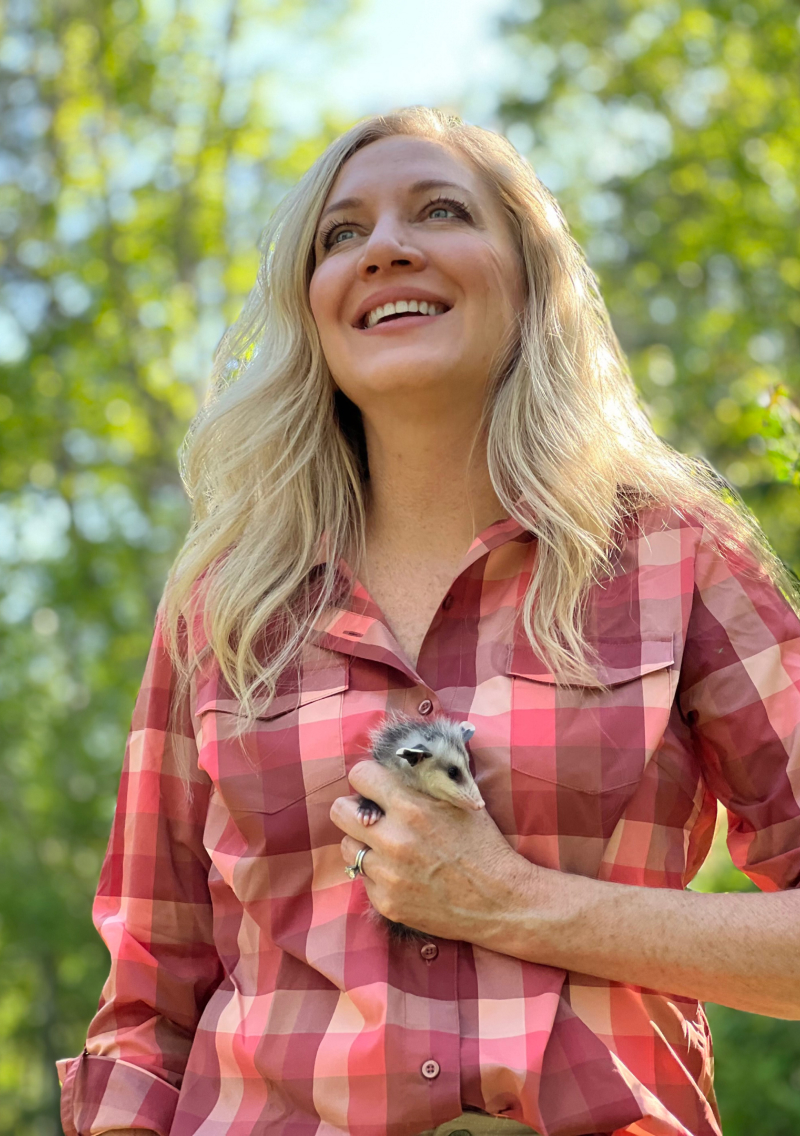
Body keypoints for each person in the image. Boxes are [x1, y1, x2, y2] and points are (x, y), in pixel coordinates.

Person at [57, 106, 800, 1136]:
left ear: (531, 278)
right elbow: (147, 1003)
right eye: (339, 233)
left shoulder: (675, 557)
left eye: (438, 210)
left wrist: (510, 899)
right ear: (309, 306)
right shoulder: (224, 604)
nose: (384, 248)